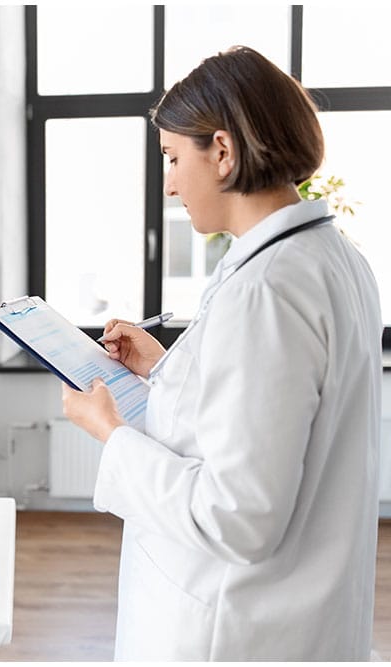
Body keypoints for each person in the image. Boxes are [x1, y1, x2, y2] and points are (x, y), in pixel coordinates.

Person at [62, 46, 382, 660]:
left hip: (230, 630)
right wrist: (165, 366)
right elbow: (275, 409)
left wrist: (112, 433)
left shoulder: (266, 288)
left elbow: (236, 515)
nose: (171, 182)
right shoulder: (333, 259)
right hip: (301, 618)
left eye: (174, 157)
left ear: (224, 152)